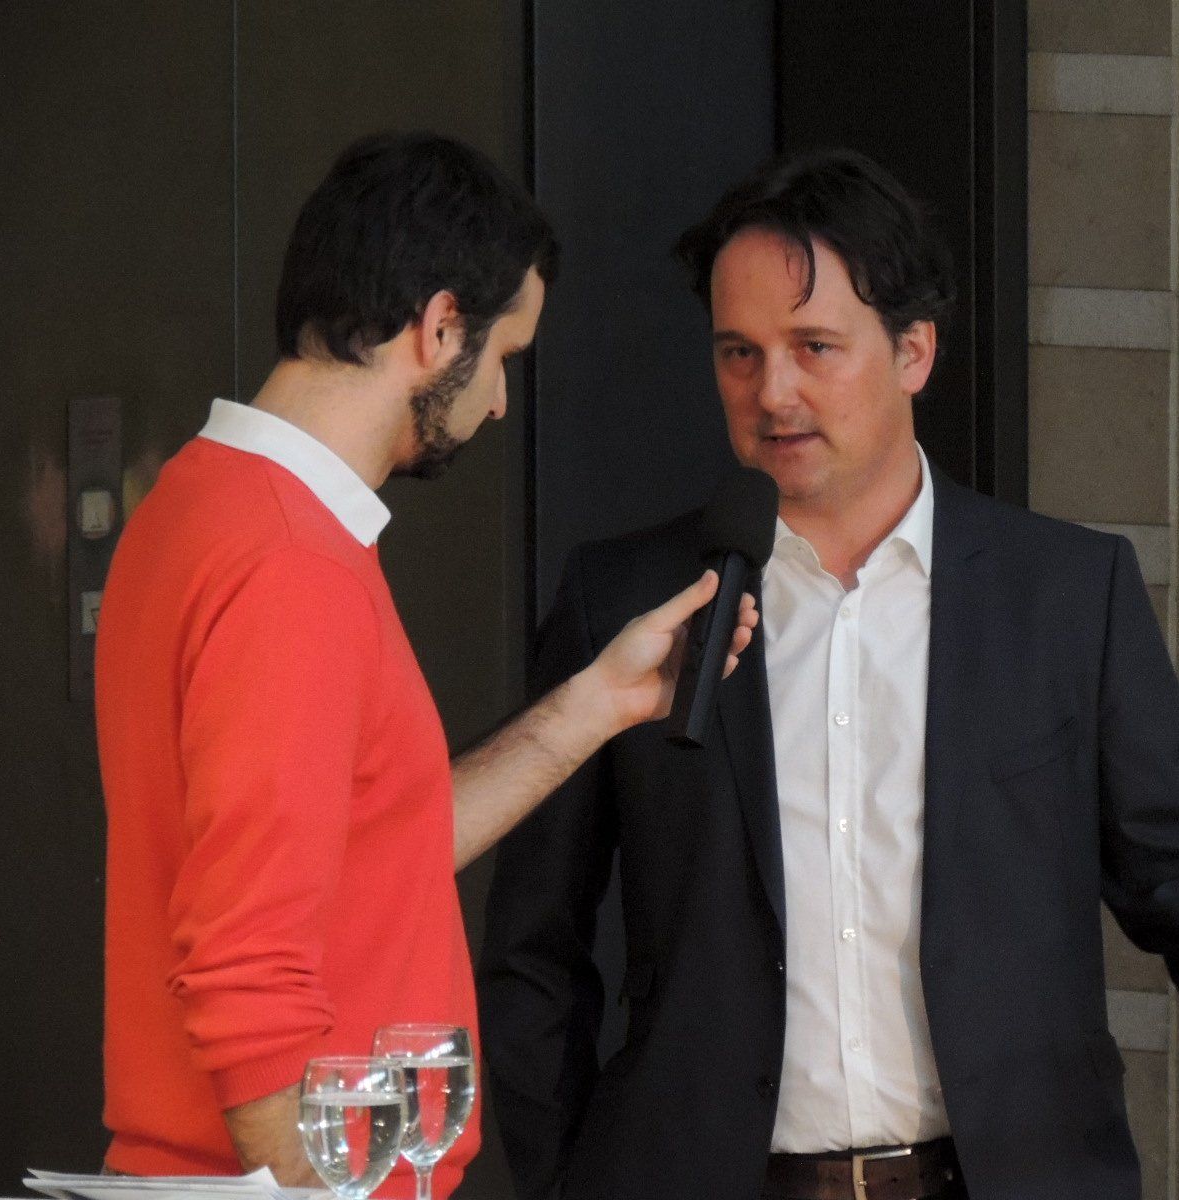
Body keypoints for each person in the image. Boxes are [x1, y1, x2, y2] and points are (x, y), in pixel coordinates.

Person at [478, 148, 1179, 1200]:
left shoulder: (1065, 593)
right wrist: (563, 1178)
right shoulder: (627, 601)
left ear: (914, 352)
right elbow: (532, 943)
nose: (772, 392)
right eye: (739, 353)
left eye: (814, 347)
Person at [94, 132, 754, 1195]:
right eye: (503, 358)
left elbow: (372, 849)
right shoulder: (291, 565)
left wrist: (597, 705)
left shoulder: (200, 505)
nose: (497, 402)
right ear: (439, 326)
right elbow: (247, 975)